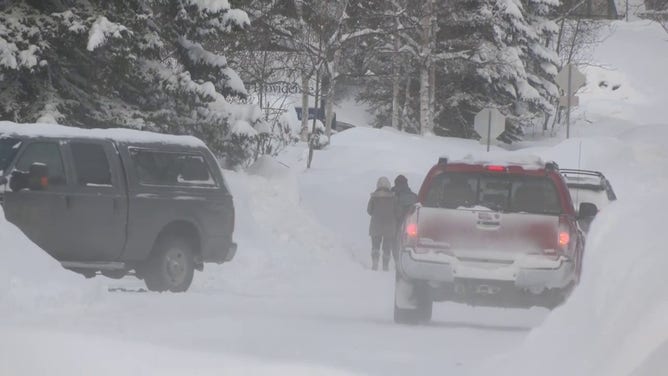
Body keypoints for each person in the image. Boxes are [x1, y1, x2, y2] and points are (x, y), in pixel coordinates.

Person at [367, 176, 397, 271]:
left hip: (376, 225)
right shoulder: (394, 197)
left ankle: (375, 262)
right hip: (389, 226)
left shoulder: (374, 197)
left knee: (375, 246)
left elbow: (369, 210)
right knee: (387, 248)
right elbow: (397, 211)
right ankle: (385, 266)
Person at [392, 175, 418, 263]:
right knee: (408, 243)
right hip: (411, 224)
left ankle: (397, 261)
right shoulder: (414, 196)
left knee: (395, 242)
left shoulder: (394, 195)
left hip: (397, 223)